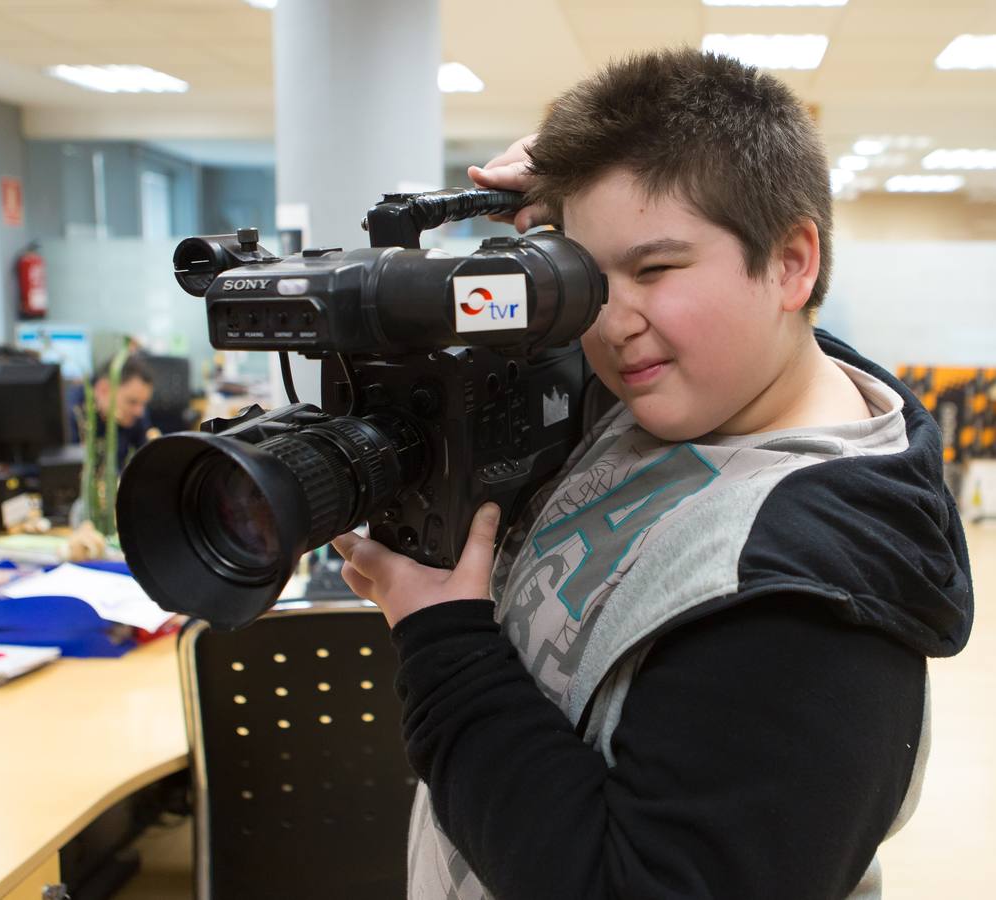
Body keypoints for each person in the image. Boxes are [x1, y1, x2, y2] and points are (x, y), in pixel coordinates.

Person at [331, 49, 973, 899]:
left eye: (656, 269)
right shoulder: (685, 397)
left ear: (791, 264)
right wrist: (555, 200)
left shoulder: (801, 599)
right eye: (590, 279)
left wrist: (441, 642)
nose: (612, 322)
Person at [68, 355, 161, 470]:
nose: (140, 412)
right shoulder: (72, 414)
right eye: (132, 402)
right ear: (103, 389)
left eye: (143, 404)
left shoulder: (137, 415)